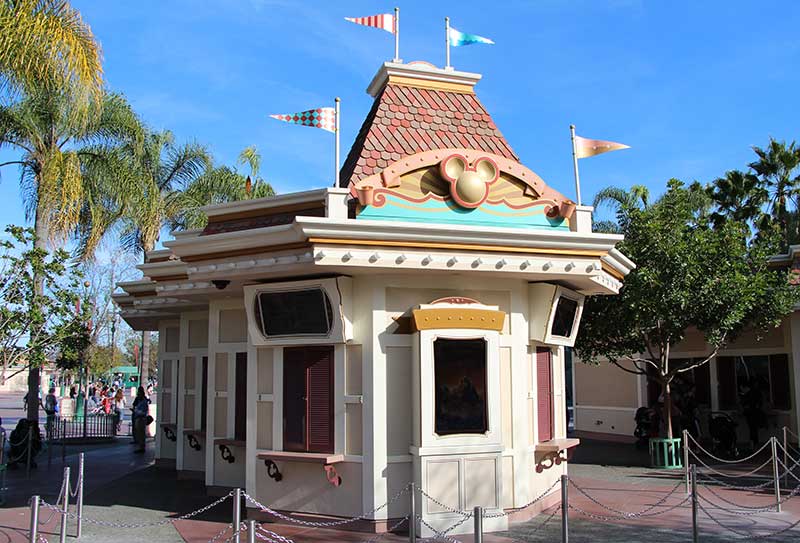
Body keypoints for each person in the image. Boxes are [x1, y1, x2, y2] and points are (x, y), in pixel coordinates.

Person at [131, 386, 150, 453]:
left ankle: (141, 446)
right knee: (140, 433)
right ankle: (141, 446)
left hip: (141, 418)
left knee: (141, 433)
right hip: (139, 418)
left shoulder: (143, 402)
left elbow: (143, 411)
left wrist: (135, 411)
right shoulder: (143, 400)